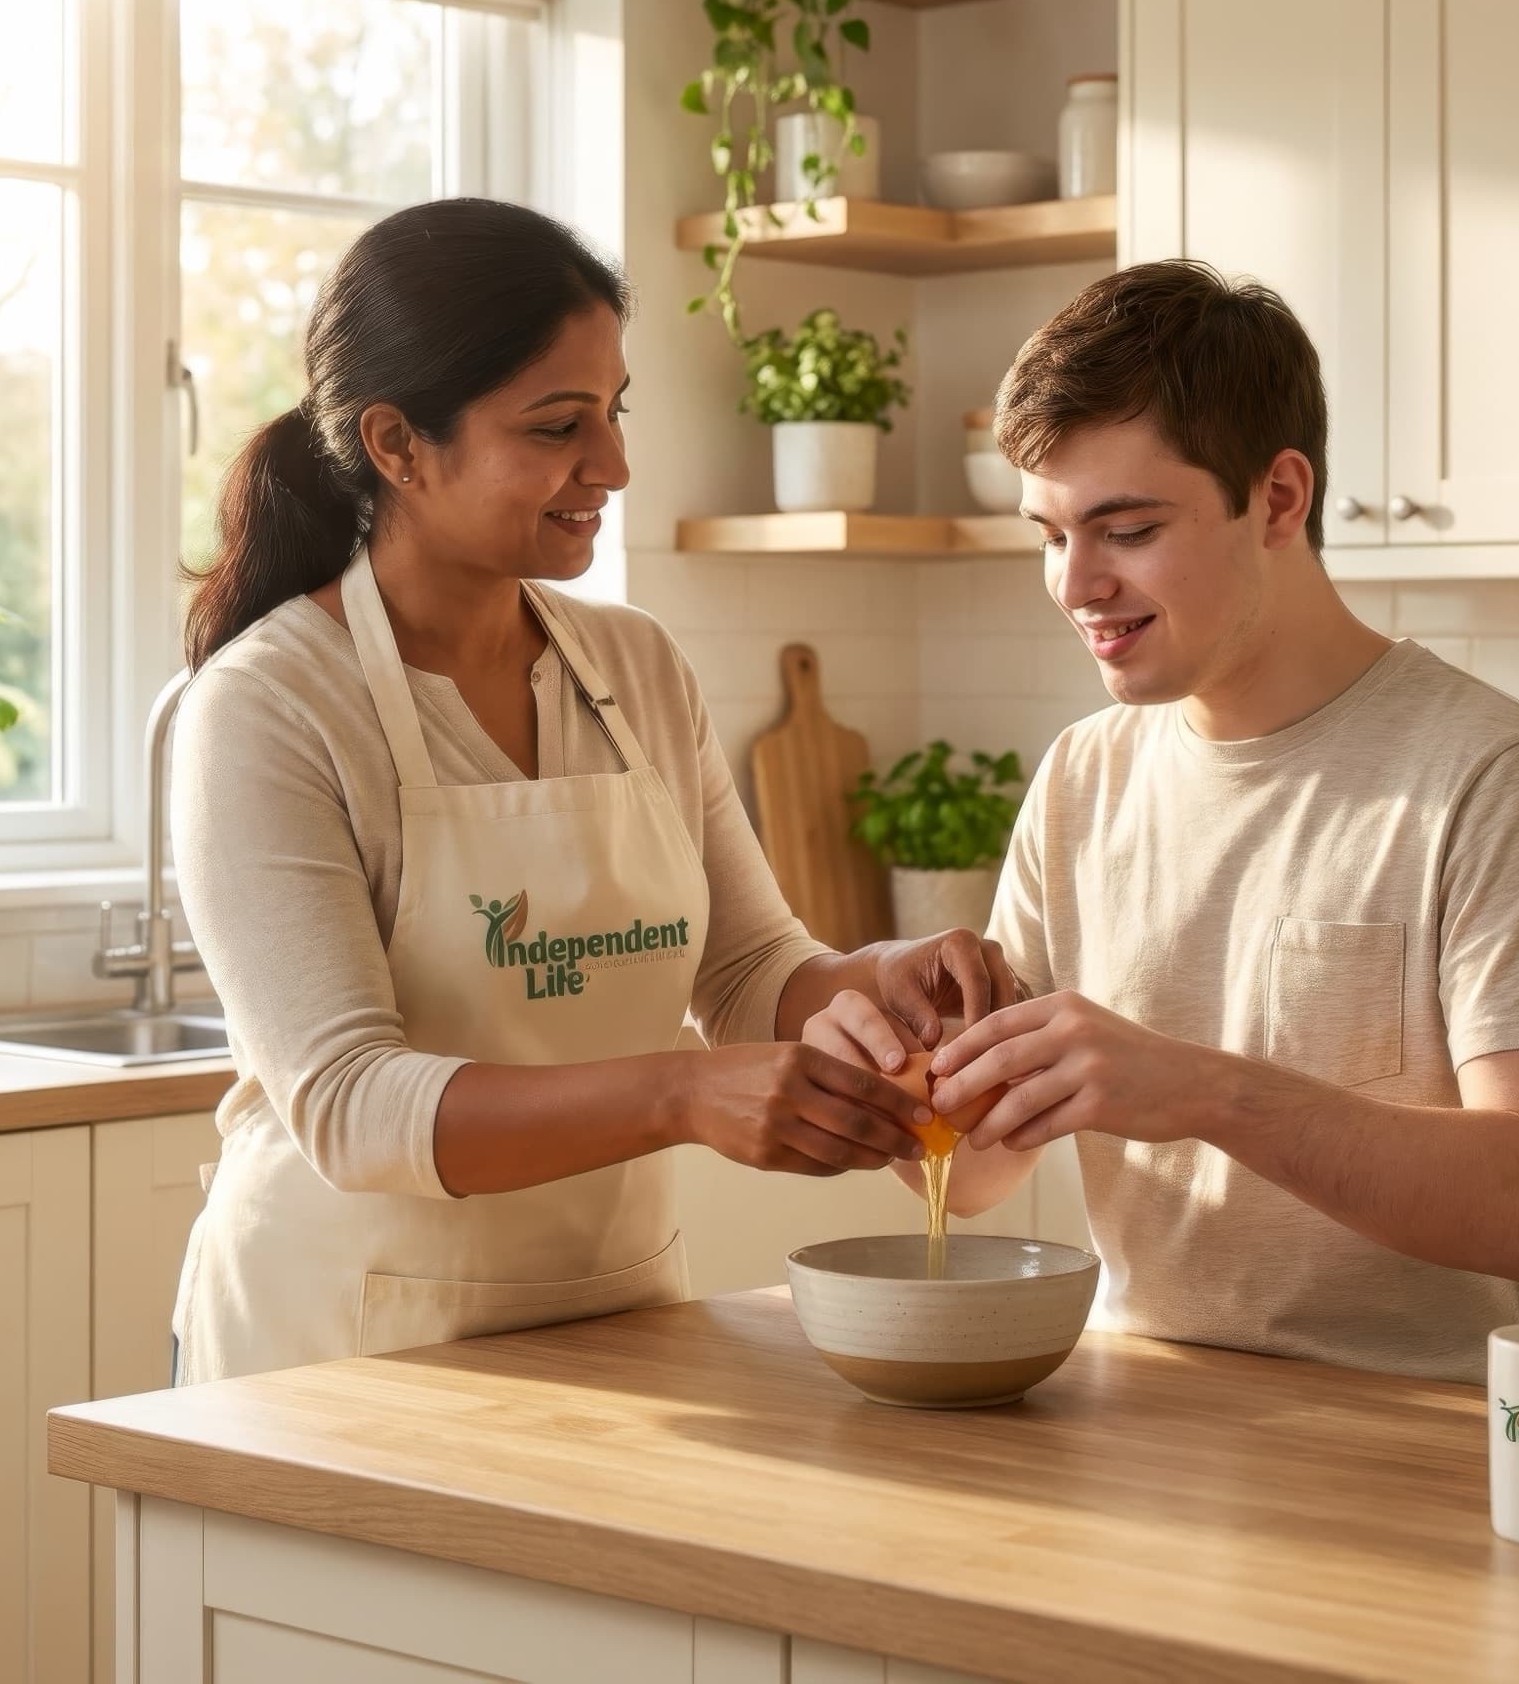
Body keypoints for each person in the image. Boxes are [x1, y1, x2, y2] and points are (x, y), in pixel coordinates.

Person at [169, 198, 1014, 1384]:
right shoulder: (272, 705)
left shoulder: (633, 665)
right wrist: (677, 1092)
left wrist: (884, 978)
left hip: (612, 1326)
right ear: (397, 445)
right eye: (557, 425)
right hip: (341, 1350)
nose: (611, 466)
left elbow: (746, 970)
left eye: (614, 412)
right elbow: (351, 1103)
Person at [812, 259, 1519, 1382]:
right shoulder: (1081, 778)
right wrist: (902, 1087)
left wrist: (1204, 1089)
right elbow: (983, 1168)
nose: (1073, 583)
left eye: (1126, 527)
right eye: (1050, 534)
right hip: (1141, 1429)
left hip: (1423, 1450)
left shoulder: (1487, 772)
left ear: (1279, 498)